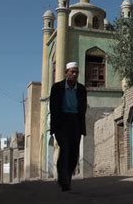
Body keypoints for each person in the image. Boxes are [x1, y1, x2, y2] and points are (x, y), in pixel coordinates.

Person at [50, 62, 87, 191]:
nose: (75, 74)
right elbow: (53, 108)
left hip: (75, 122)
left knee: (74, 152)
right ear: (66, 73)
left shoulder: (82, 89)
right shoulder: (57, 88)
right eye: (72, 72)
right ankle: (63, 179)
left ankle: (68, 177)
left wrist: (82, 127)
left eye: (76, 72)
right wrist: (53, 127)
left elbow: (83, 109)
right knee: (65, 148)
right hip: (61, 122)